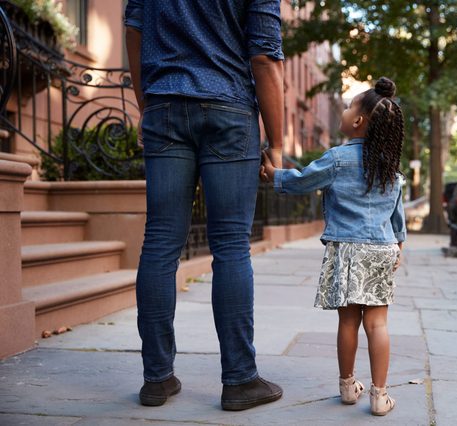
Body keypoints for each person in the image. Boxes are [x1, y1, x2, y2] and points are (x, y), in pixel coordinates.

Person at [124, 0, 284, 410]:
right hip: (230, 108)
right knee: (231, 246)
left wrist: (147, 108)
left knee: (160, 243)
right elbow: (264, 58)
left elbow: (134, 32)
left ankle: (156, 379)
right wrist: (278, 143)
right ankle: (240, 380)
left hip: (164, 106)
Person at [261, 77, 406, 416]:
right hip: (382, 250)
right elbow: (396, 214)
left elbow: (302, 181)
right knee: (378, 324)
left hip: (347, 249)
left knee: (348, 323)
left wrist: (274, 175)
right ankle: (380, 395)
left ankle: (347, 386)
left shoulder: (338, 159)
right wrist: (399, 245)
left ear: (358, 121)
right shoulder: (391, 169)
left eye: (348, 106)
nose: (343, 110)